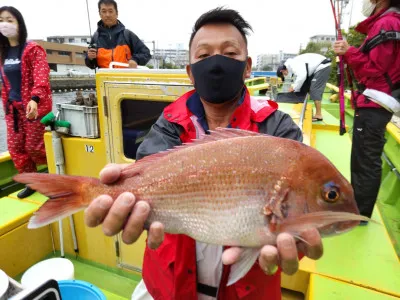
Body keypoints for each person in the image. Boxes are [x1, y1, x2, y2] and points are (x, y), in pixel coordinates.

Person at [84, 7, 324, 300]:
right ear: (190, 72)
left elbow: (292, 222)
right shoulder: (168, 123)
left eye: (230, 53)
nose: (216, 63)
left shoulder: (278, 128)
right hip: (169, 288)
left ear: (248, 67)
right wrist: (115, 199)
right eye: (203, 55)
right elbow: (145, 184)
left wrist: (297, 243)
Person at [334, 0, 400, 223]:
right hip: (375, 103)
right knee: (363, 158)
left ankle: (359, 215)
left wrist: (349, 51)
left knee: (365, 161)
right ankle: (358, 211)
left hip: (375, 104)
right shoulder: (388, 22)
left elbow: (375, 69)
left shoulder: (387, 23)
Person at [0, 6, 52, 199]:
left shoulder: (33, 50)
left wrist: (35, 98)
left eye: (9, 20)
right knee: (16, 149)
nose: (4, 24)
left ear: (19, 24)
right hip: (12, 109)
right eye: (1, 20)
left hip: (34, 107)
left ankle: (59, 174)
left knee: (35, 147)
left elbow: (41, 78)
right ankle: (31, 182)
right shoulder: (2, 53)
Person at [85, 0, 151, 69]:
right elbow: (91, 65)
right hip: (104, 78)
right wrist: (90, 58)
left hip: (126, 78)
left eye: (110, 11)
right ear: (100, 14)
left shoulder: (127, 35)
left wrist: (135, 60)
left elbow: (146, 53)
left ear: (117, 13)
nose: (107, 15)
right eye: (104, 11)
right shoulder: (96, 37)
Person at [277, 53, 332, 121]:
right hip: (314, 69)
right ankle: (303, 110)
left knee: (314, 89)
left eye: (284, 75)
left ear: (283, 70)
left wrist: (294, 87)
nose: (285, 75)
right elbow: (301, 79)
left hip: (322, 66)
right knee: (304, 88)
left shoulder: (293, 64)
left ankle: (318, 115)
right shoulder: (291, 66)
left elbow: (302, 76)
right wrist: (296, 88)